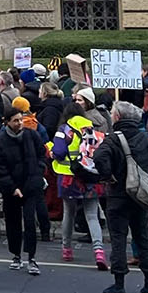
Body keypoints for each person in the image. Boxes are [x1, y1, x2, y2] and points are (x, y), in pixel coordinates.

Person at [95, 100, 148, 293]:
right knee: (143, 236)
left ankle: (119, 284)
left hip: (118, 194)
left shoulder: (112, 139)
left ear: (118, 117)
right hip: (140, 195)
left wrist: (108, 176)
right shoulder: (144, 138)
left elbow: (99, 158)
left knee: (119, 238)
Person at [0, 108, 47, 275]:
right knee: (12, 222)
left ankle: (31, 257)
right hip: (11, 188)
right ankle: (16, 254)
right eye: (15, 120)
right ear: (7, 121)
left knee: (30, 221)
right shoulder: (0, 142)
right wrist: (12, 187)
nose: (19, 123)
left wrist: (38, 172)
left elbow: (41, 154)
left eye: (21, 120)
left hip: (31, 184)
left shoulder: (31, 135)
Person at [50, 111, 105, 266]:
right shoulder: (91, 129)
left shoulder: (65, 130)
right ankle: (99, 250)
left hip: (69, 178)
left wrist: (51, 151)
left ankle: (66, 249)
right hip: (90, 177)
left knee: (69, 213)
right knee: (92, 215)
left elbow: (59, 152)